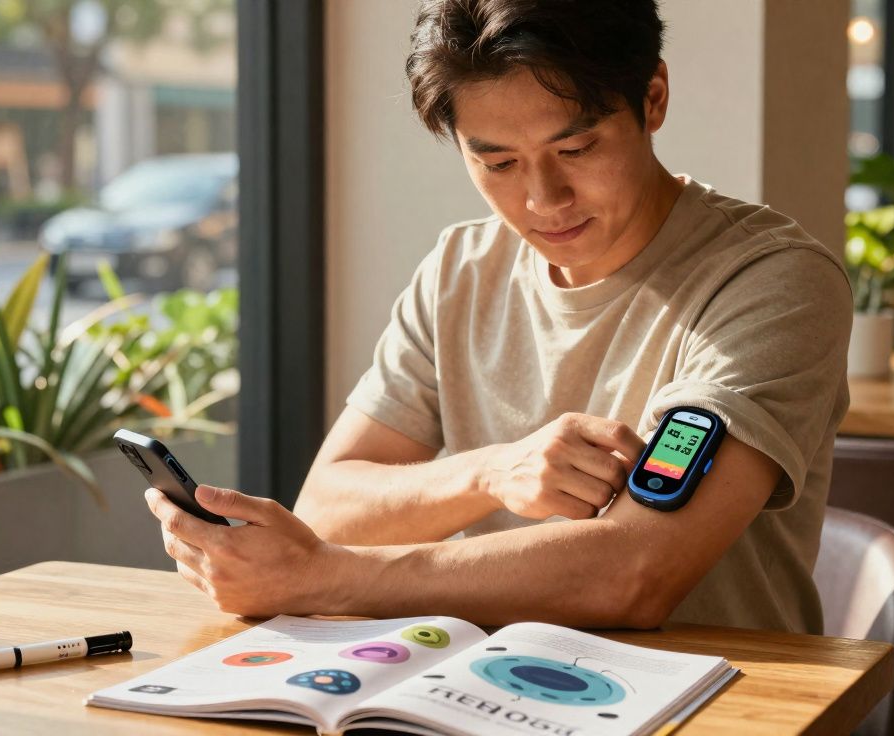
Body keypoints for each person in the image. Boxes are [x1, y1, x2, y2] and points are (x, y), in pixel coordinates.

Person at [143, 0, 851, 634]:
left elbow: (635, 573)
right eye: (499, 163)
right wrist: (490, 473)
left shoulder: (773, 281)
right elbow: (330, 505)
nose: (544, 198)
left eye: (575, 149)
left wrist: (323, 576)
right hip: (485, 694)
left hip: (720, 704)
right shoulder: (461, 270)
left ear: (653, 97)